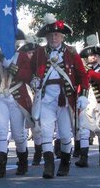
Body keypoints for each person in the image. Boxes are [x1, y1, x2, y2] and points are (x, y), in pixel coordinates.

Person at [31, 14, 89, 179]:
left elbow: (82, 76)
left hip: (66, 99)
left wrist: (83, 94)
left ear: (62, 36)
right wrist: (33, 81)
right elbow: (31, 71)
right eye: (50, 35)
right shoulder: (39, 53)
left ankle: (64, 163)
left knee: (64, 134)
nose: (53, 37)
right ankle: (48, 166)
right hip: (46, 99)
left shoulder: (71, 52)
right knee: (46, 132)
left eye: (56, 34)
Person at [0, 28, 33, 178]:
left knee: (18, 134)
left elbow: (27, 75)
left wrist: (12, 67)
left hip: (16, 97)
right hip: (0, 96)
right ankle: (1, 165)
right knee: (0, 129)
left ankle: (23, 162)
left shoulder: (23, 56)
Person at [79, 35, 100, 167]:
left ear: (99, 57)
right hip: (86, 103)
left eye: (96, 55)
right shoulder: (84, 70)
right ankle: (83, 158)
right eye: (91, 55)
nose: (93, 57)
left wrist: (86, 70)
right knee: (83, 130)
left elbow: (99, 79)